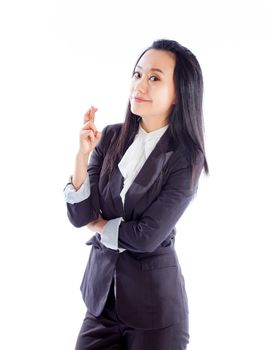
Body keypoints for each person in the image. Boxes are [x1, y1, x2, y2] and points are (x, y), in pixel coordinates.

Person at [63, 38, 209, 350]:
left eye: (155, 78)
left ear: (180, 94)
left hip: (155, 312)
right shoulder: (112, 136)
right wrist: (82, 155)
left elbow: (147, 237)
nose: (139, 85)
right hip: (102, 304)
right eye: (138, 74)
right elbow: (80, 216)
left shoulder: (186, 158)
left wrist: (101, 226)